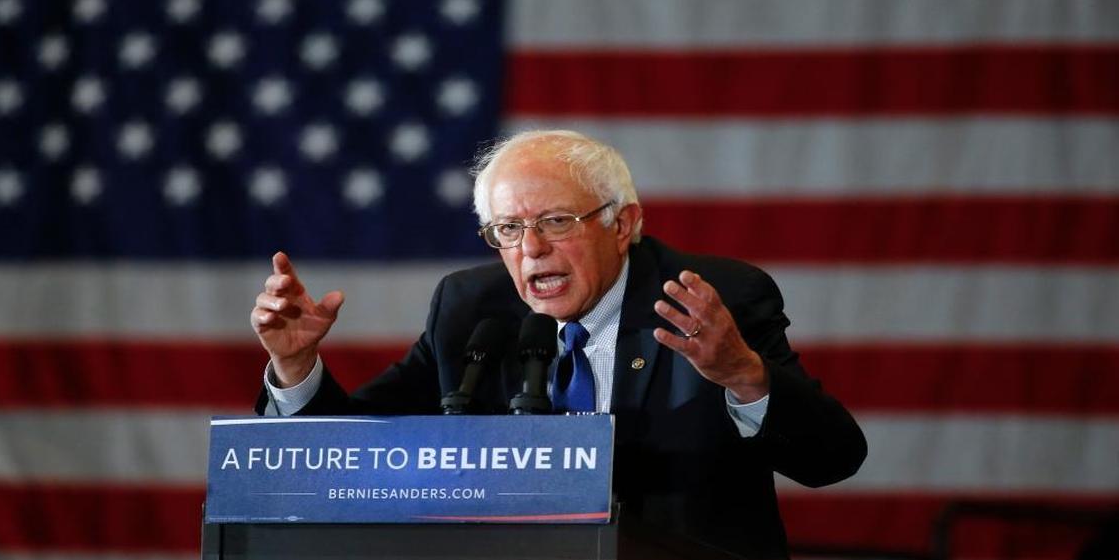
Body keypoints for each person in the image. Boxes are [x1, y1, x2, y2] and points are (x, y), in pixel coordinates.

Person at [251, 129, 866, 559]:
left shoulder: (713, 297)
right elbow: (353, 449)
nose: (531, 249)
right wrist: (295, 364)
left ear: (621, 223)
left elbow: (832, 457)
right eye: (508, 229)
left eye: (554, 222)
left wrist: (743, 373)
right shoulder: (471, 310)